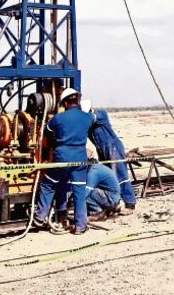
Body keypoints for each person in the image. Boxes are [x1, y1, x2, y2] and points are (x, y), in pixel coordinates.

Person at [33, 88, 94, 235]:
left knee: (48, 184)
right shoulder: (88, 117)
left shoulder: (58, 118)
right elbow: (96, 118)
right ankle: (80, 226)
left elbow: (47, 131)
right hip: (80, 158)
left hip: (62, 157)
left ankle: (39, 217)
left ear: (65, 103)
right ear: (77, 101)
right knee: (79, 191)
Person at [89, 108, 137, 213]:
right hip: (101, 149)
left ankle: (130, 203)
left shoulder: (100, 113)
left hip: (113, 147)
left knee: (120, 174)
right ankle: (114, 203)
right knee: (107, 176)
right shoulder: (86, 122)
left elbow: (89, 119)